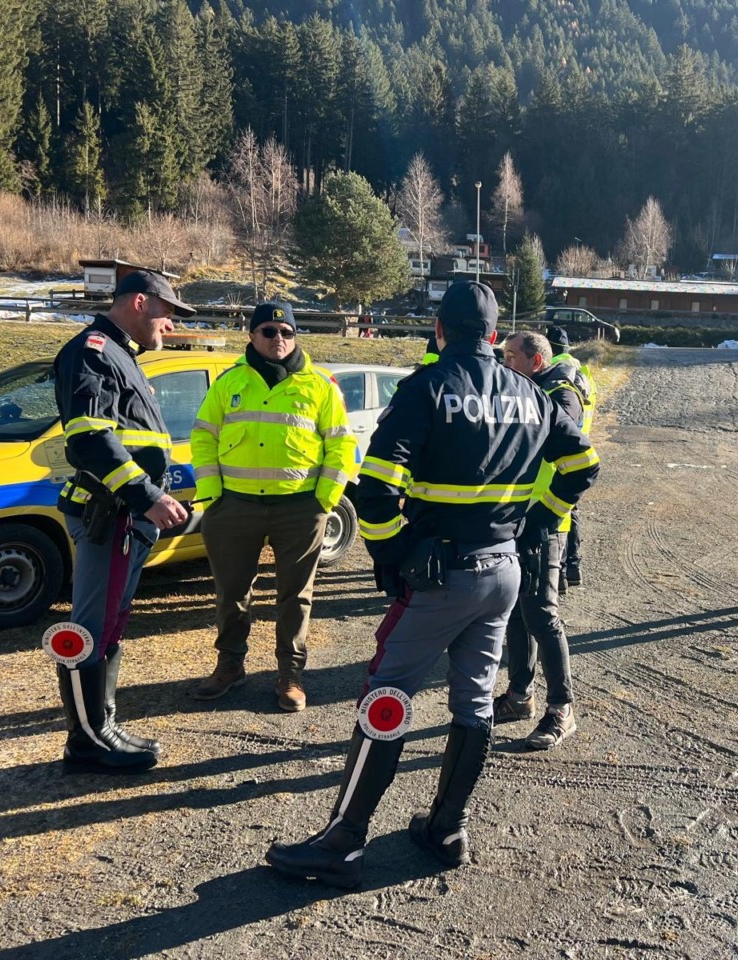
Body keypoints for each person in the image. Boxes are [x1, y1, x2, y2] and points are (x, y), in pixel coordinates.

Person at [265, 281, 599, 890]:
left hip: (441, 574)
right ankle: (449, 828)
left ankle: (344, 842)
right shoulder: (531, 392)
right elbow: (584, 464)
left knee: (387, 692)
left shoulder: (426, 388)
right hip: (503, 571)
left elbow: (375, 485)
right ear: (493, 336)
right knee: (474, 701)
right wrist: (539, 521)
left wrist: (393, 554)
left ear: (440, 330)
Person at [49, 270, 193, 773]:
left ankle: (102, 725)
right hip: (111, 515)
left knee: (111, 624)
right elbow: (90, 438)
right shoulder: (93, 351)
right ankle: (88, 742)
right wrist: (147, 496)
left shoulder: (120, 355)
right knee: (91, 629)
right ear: (139, 303)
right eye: (168, 312)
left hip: (128, 519)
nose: (170, 325)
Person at [190, 302, 356, 711]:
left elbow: (341, 444)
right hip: (234, 507)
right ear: (251, 335)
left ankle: (290, 674)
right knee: (231, 594)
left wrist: (324, 500)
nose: (278, 338)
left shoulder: (320, 386)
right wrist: (212, 495)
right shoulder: (229, 382)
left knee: (295, 596)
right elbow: (204, 436)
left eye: (287, 332)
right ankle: (230, 666)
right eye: (268, 331)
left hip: (299, 509)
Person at [494, 331, 583, 749]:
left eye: (512, 356)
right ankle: (519, 696)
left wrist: (544, 517)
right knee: (517, 613)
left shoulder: (559, 397)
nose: (505, 363)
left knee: (542, 616)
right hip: (515, 520)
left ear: (536, 361)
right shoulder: (523, 392)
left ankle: (562, 709)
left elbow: (579, 465)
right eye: (503, 355)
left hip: (543, 523)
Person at [545, 324, 595, 589]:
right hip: (581, 443)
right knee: (571, 511)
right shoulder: (581, 371)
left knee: (562, 513)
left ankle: (564, 570)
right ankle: (573, 568)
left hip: (561, 451)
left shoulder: (557, 375)